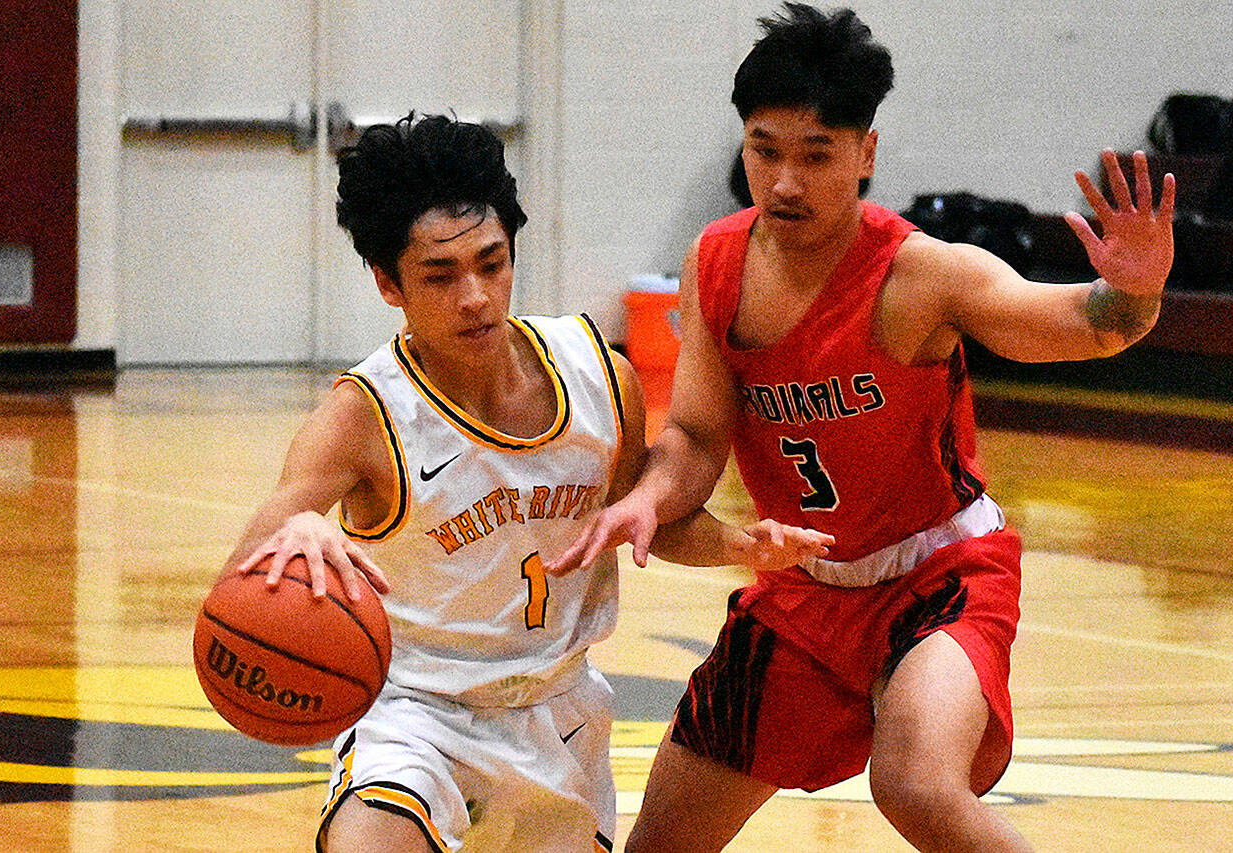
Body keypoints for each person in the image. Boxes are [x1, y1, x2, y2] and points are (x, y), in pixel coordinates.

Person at [547, 5, 1175, 852]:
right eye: (765, 150)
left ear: (866, 154)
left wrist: (1133, 290)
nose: (786, 183)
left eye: (817, 155)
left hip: (940, 573)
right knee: (663, 839)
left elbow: (1085, 325)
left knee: (914, 783)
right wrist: (649, 497)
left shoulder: (918, 274)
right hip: (805, 587)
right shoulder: (716, 262)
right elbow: (695, 435)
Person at [218, 113, 830, 853]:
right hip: (417, 713)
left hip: (559, 715)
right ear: (388, 283)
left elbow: (644, 519)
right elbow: (238, 577)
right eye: (440, 276)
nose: (475, 295)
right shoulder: (364, 414)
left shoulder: (600, 375)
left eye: (491, 262)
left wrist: (741, 544)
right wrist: (299, 530)